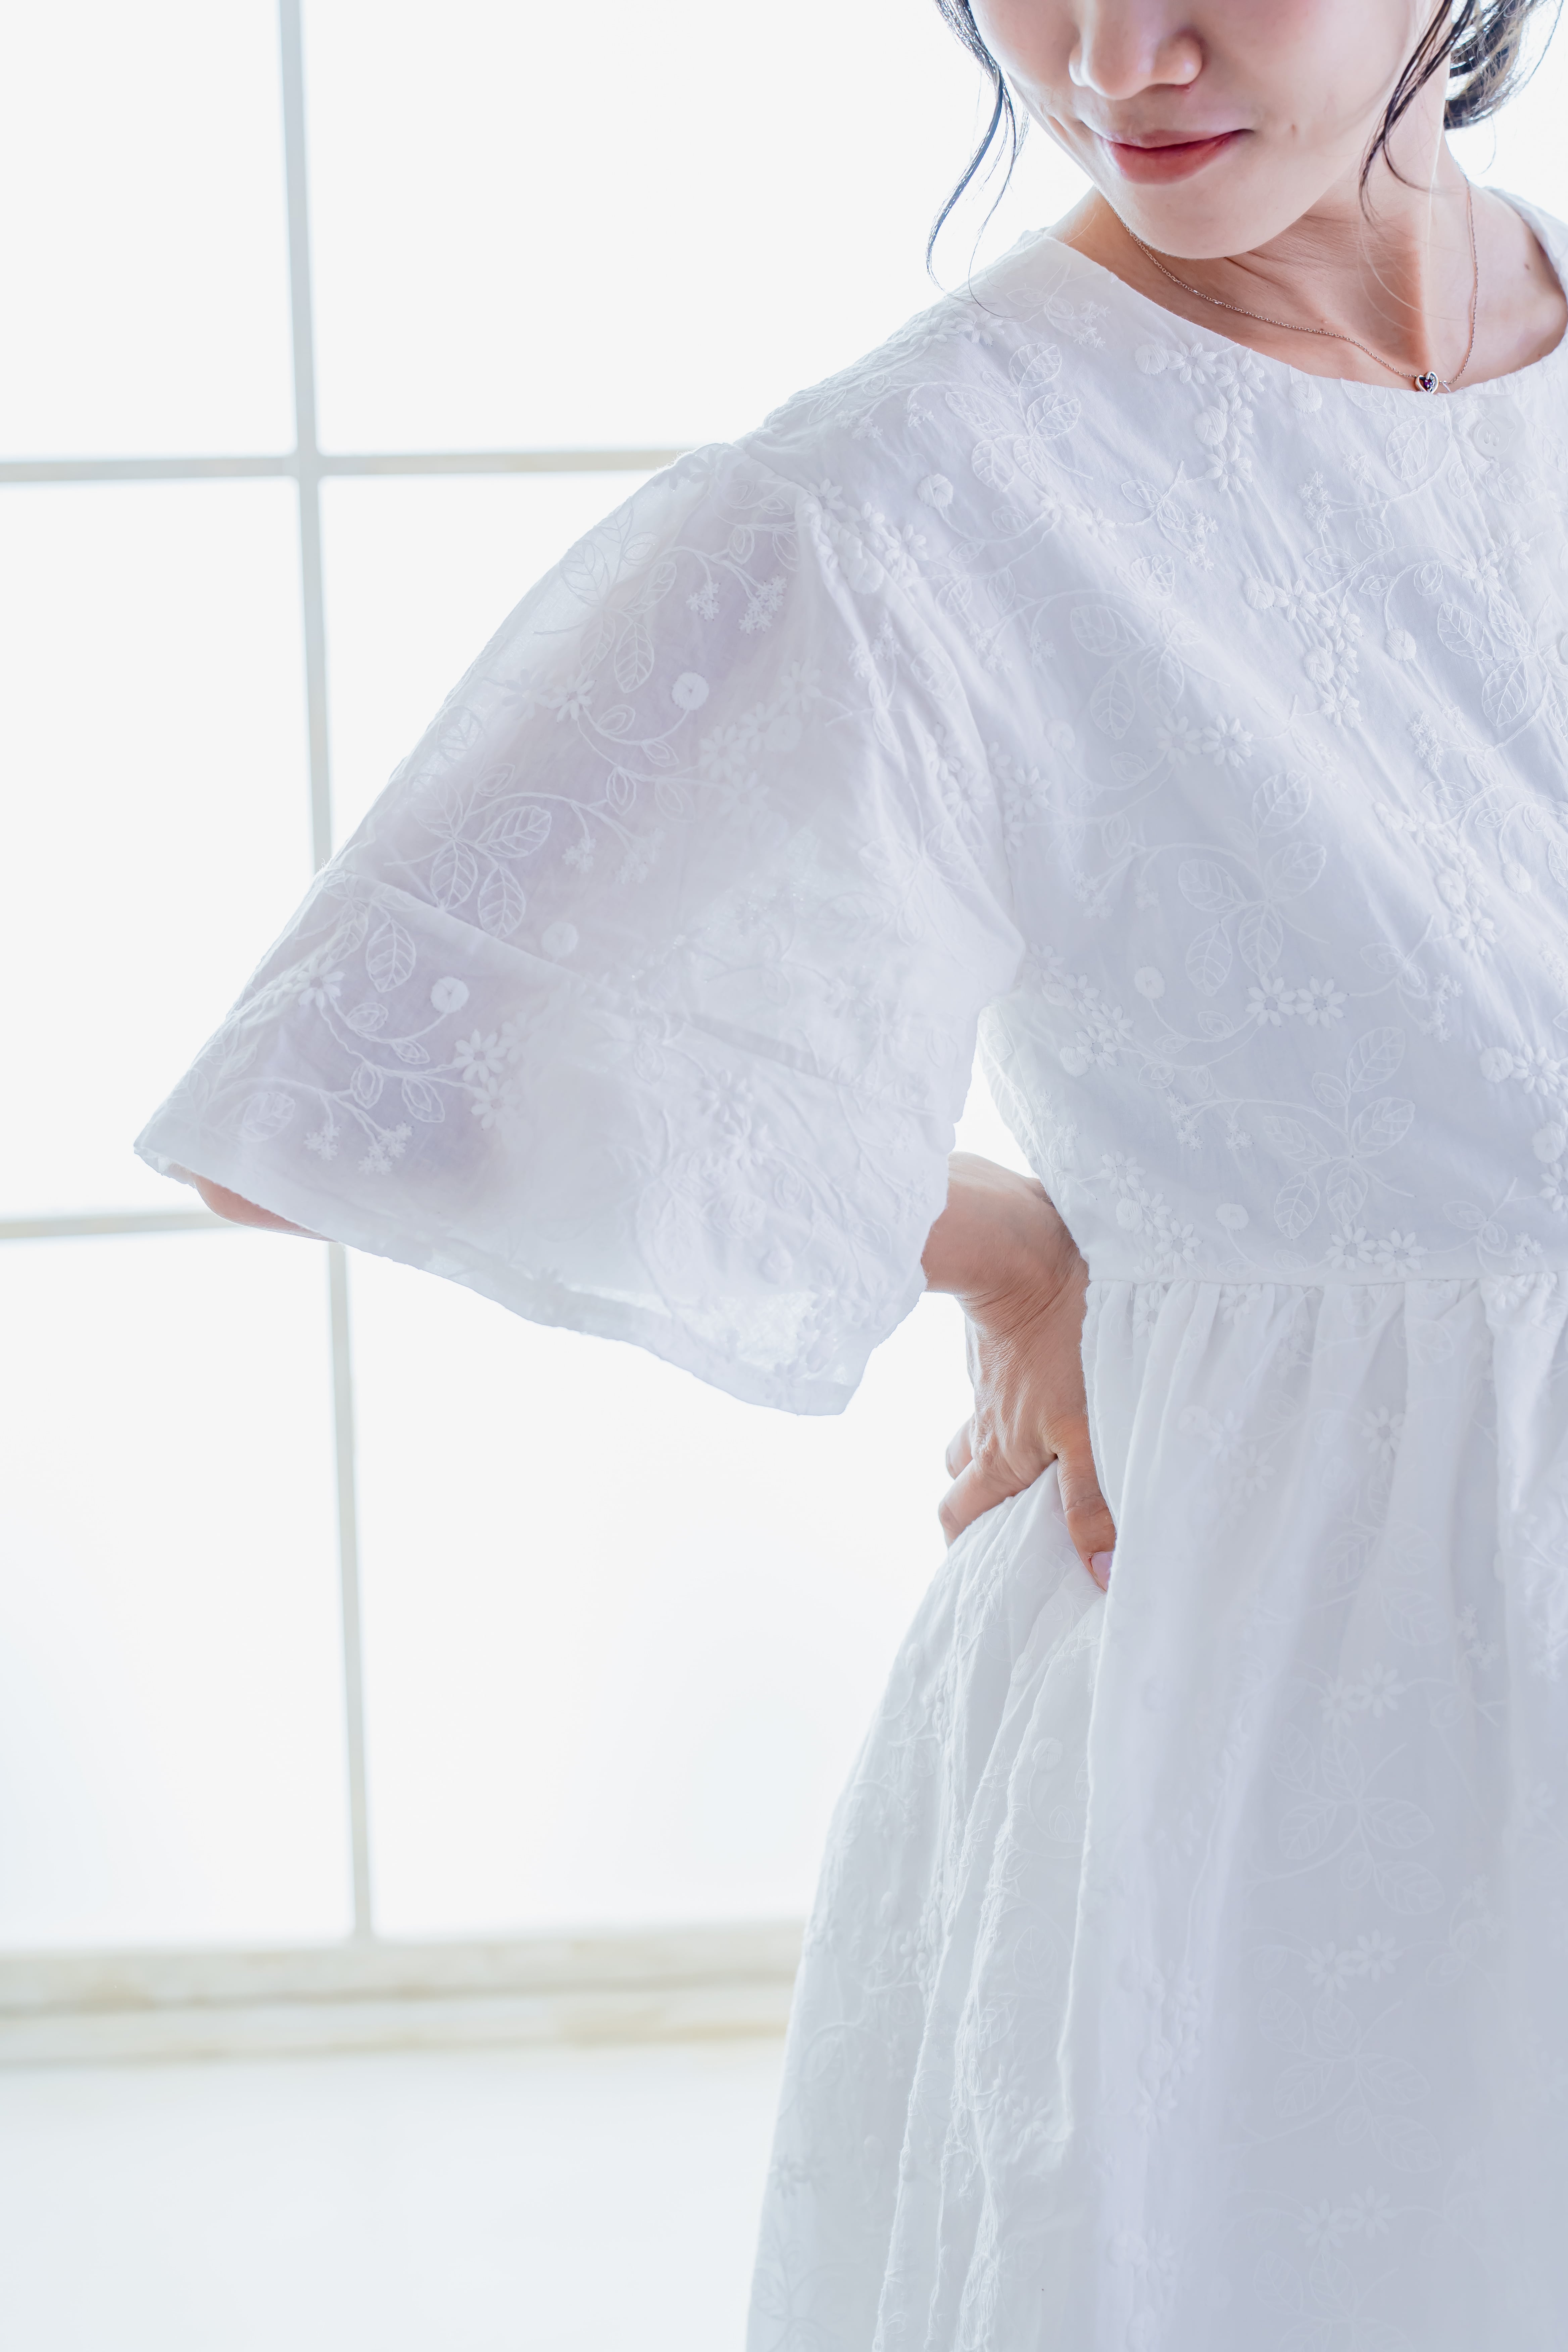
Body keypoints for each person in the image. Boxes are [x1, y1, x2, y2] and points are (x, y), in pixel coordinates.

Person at [137, 0, 1568, 2341]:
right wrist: (1005, 1247)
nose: (1113, 52)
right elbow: (367, 1081)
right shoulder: (926, 487)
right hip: (1302, 1743)